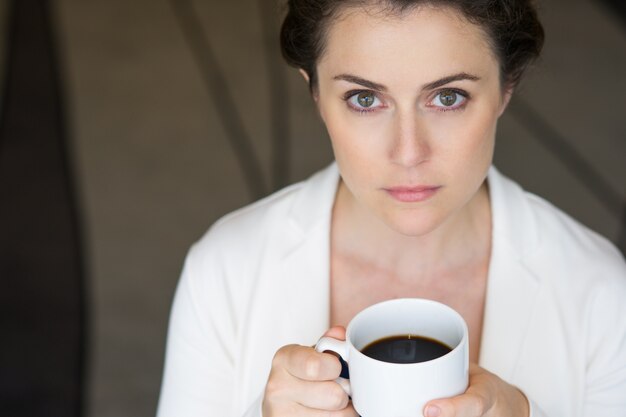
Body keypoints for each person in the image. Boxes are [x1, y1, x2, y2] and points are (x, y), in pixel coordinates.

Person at [156, 0, 626, 416]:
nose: (407, 152)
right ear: (315, 92)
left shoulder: (601, 293)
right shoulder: (224, 270)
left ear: (507, 87)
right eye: (365, 99)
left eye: (448, 97)